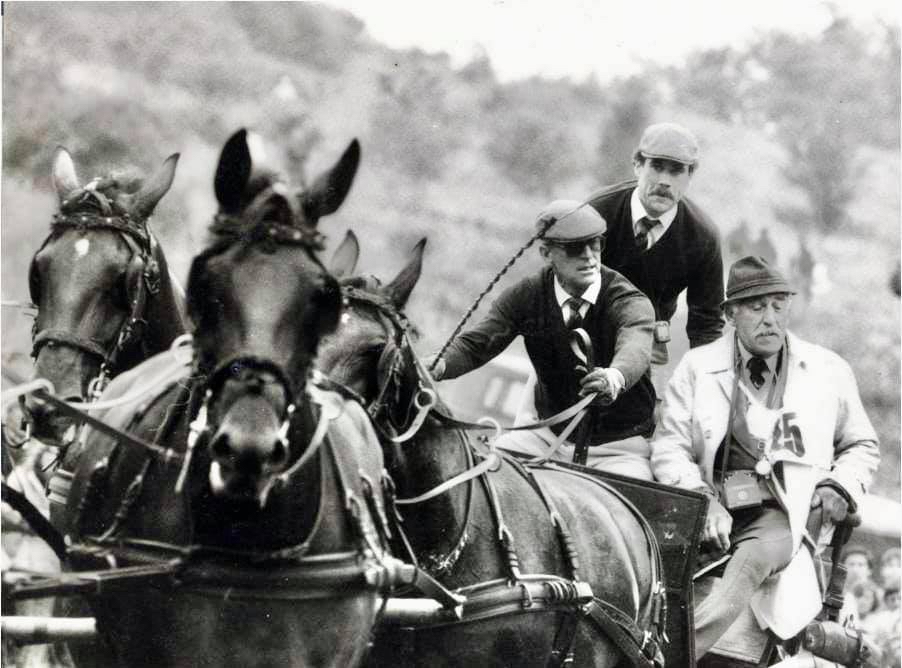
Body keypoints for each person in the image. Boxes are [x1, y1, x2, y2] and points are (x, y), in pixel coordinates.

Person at [650, 256, 880, 657]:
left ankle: (673, 657)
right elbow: (670, 446)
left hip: (781, 513)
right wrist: (702, 499)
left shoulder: (827, 370)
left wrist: (838, 484)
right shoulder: (698, 366)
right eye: (756, 307)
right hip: (709, 504)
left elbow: (862, 445)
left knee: (752, 560)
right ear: (730, 314)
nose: (769, 319)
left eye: (778, 305)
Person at [429, 199, 657, 479]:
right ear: (546, 253)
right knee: (486, 477)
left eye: (595, 244)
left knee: (627, 511)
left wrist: (614, 377)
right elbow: (476, 345)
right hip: (544, 438)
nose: (589, 256)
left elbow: (636, 342)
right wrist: (436, 366)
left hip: (618, 450)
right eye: (575, 248)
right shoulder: (525, 296)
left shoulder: (627, 299)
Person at [587, 122, 724, 379]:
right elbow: (560, 285)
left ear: (689, 176)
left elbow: (706, 324)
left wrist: (706, 386)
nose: (664, 181)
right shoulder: (597, 212)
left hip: (648, 349)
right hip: (585, 338)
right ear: (638, 165)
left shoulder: (703, 236)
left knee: (645, 414)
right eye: (657, 167)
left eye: (676, 172)